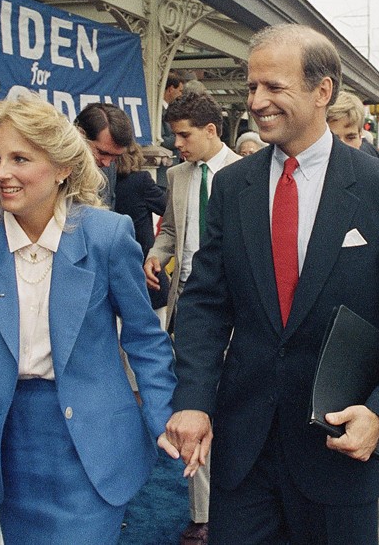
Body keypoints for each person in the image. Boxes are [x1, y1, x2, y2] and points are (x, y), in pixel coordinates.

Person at [165, 24, 379, 545]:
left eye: (274, 87)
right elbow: (206, 304)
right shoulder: (234, 186)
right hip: (243, 451)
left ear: (322, 91)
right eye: (252, 87)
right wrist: (192, 398)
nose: (257, 101)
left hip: (339, 447)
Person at [0, 96, 177, 544]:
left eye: (19, 159)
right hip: (11, 449)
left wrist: (165, 418)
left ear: (63, 167)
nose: (0, 172)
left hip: (93, 447)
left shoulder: (106, 236)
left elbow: (145, 340)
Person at [143, 91, 242, 544]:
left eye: (184, 135)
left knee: (237, 408)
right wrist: (156, 253)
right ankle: (202, 515)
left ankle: (241, 501)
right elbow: (170, 229)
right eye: (173, 134)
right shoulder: (176, 175)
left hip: (238, 311)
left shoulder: (246, 176)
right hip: (188, 307)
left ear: (210, 131)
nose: (176, 143)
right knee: (194, 401)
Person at [113, 143, 168, 308]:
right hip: (143, 267)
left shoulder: (102, 182)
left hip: (114, 268)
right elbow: (168, 208)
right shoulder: (141, 181)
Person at [74, 102, 134, 207]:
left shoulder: (109, 169)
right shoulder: (51, 168)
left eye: (115, 157)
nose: (107, 163)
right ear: (80, 135)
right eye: (102, 152)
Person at [326, 89, 379, 157]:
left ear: (360, 137)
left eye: (350, 138)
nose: (343, 146)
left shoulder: (374, 166)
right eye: (334, 139)